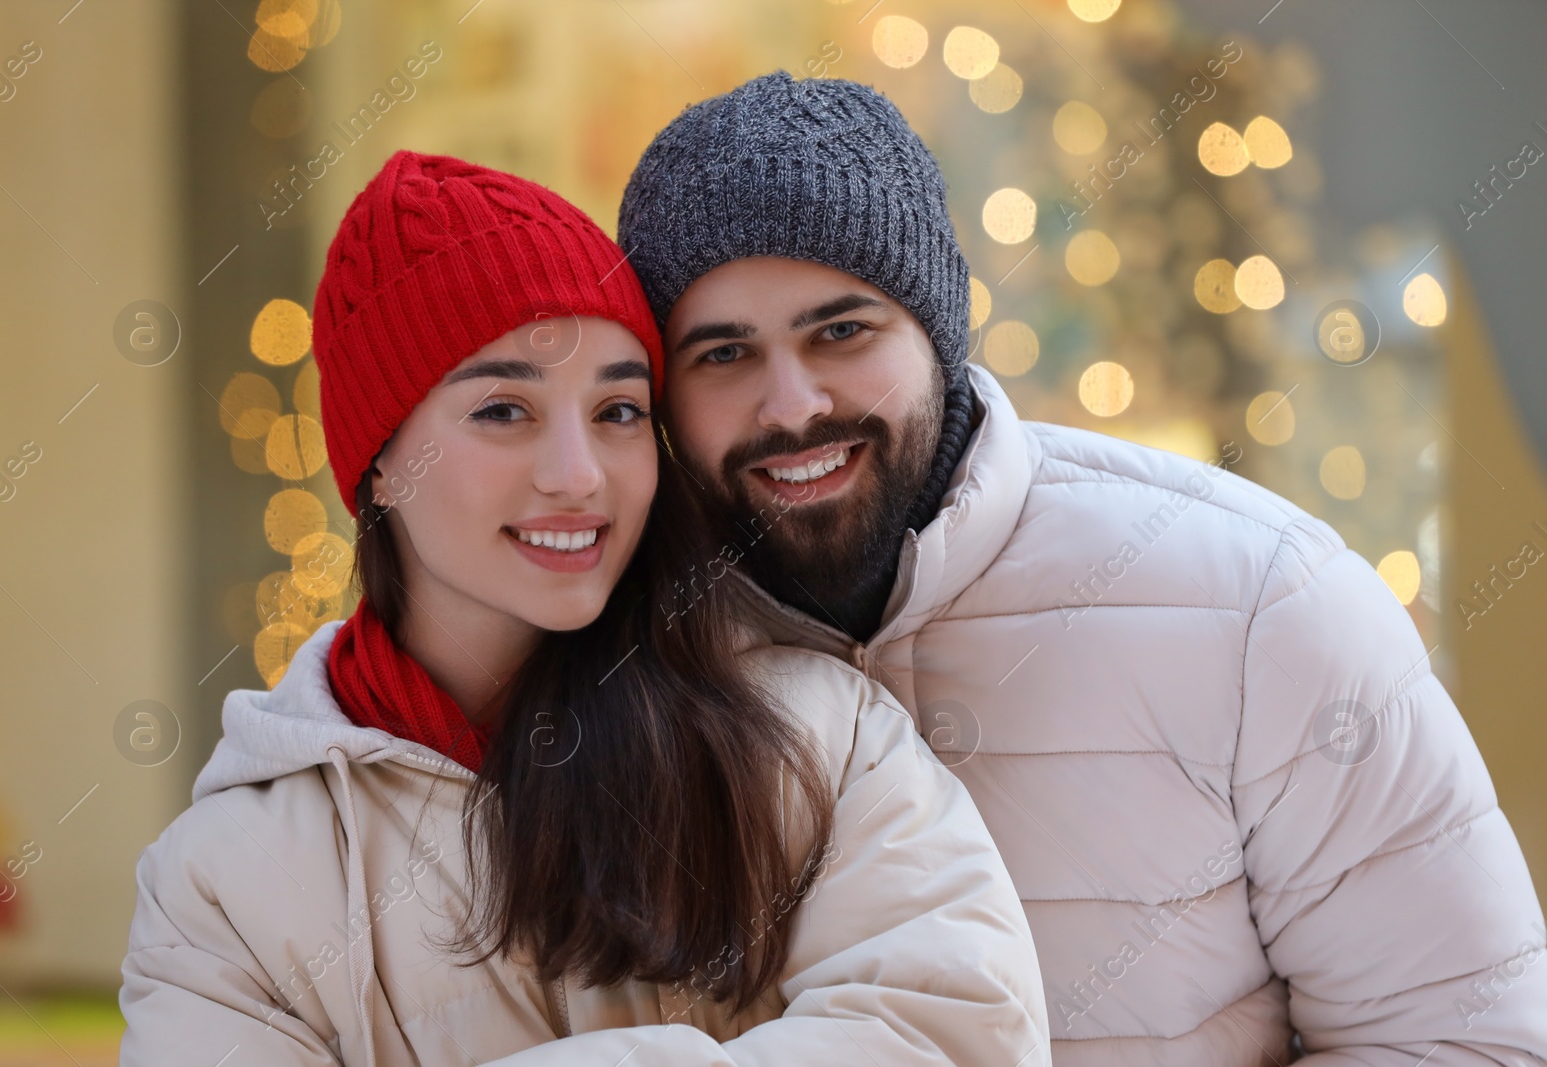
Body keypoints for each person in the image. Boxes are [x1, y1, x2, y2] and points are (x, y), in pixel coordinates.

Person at [615, 71, 1547, 1064]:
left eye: (841, 331)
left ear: (936, 327)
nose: (791, 404)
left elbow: (1466, 1037)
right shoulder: (614, 655)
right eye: (722, 354)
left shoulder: (1258, 601)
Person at [117, 150, 1049, 1067]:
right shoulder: (226, 884)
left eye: (617, 411)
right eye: (503, 411)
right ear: (381, 464)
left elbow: (956, 1031)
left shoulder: (814, 742)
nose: (578, 476)